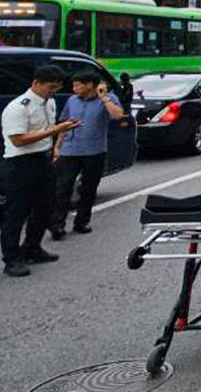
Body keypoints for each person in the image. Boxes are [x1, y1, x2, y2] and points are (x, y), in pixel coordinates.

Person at [2, 65, 79, 277]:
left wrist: (58, 135)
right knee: (16, 213)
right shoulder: (18, 107)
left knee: (46, 207)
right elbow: (18, 140)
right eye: (49, 87)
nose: (52, 92)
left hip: (43, 160)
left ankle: (32, 247)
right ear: (35, 83)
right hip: (20, 164)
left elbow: (47, 130)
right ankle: (11, 258)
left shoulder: (50, 102)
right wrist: (56, 130)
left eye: (56, 88)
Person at [49, 70, 125, 239]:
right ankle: (57, 224)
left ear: (90, 85)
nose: (74, 88)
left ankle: (82, 222)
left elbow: (117, 115)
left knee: (88, 188)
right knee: (62, 187)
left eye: (78, 85)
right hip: (69, 150)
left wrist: (104, 98)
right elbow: (65, 123)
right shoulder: (72, 100)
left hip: (95, 151)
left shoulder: (108, 99)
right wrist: (57, 147)